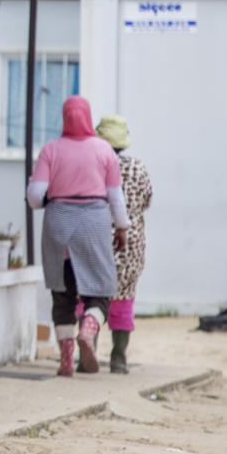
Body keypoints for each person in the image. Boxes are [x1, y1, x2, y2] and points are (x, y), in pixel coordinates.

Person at [26, 96, 130, 378]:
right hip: (94, 224)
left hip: (58, 222)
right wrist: (121, 227)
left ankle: (66, 359)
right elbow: (116, 198)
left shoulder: (51, 150)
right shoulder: (105, 151)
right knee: (101, 291)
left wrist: (54, 199)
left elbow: (35, 198)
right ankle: (89, 328)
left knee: (62, 296)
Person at [97, 114, 153, 374]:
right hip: (130, 246)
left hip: (96, 242)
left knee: (92, 296)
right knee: (124, 298)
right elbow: (147, 202)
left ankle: (87, 350)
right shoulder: (138, 167)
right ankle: (118, 358)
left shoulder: (95, 165)